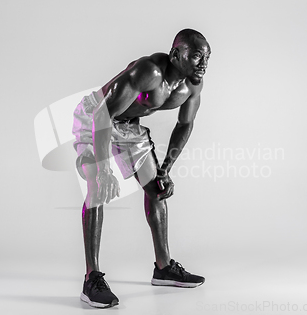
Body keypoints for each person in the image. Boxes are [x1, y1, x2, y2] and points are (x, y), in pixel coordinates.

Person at [72, 28, 211, 308]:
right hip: (95, 116)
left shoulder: (192, 85)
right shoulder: (149, 71)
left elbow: (185, 124)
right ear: (176, 54)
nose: (203, 64)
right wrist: (103, 168)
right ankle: (91, 279)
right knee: (97, 186)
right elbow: (103, 113)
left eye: (207, 58)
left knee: (157, 189)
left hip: (128, 127)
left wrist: (166, 169)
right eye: (196, 56)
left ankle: (163, 267)